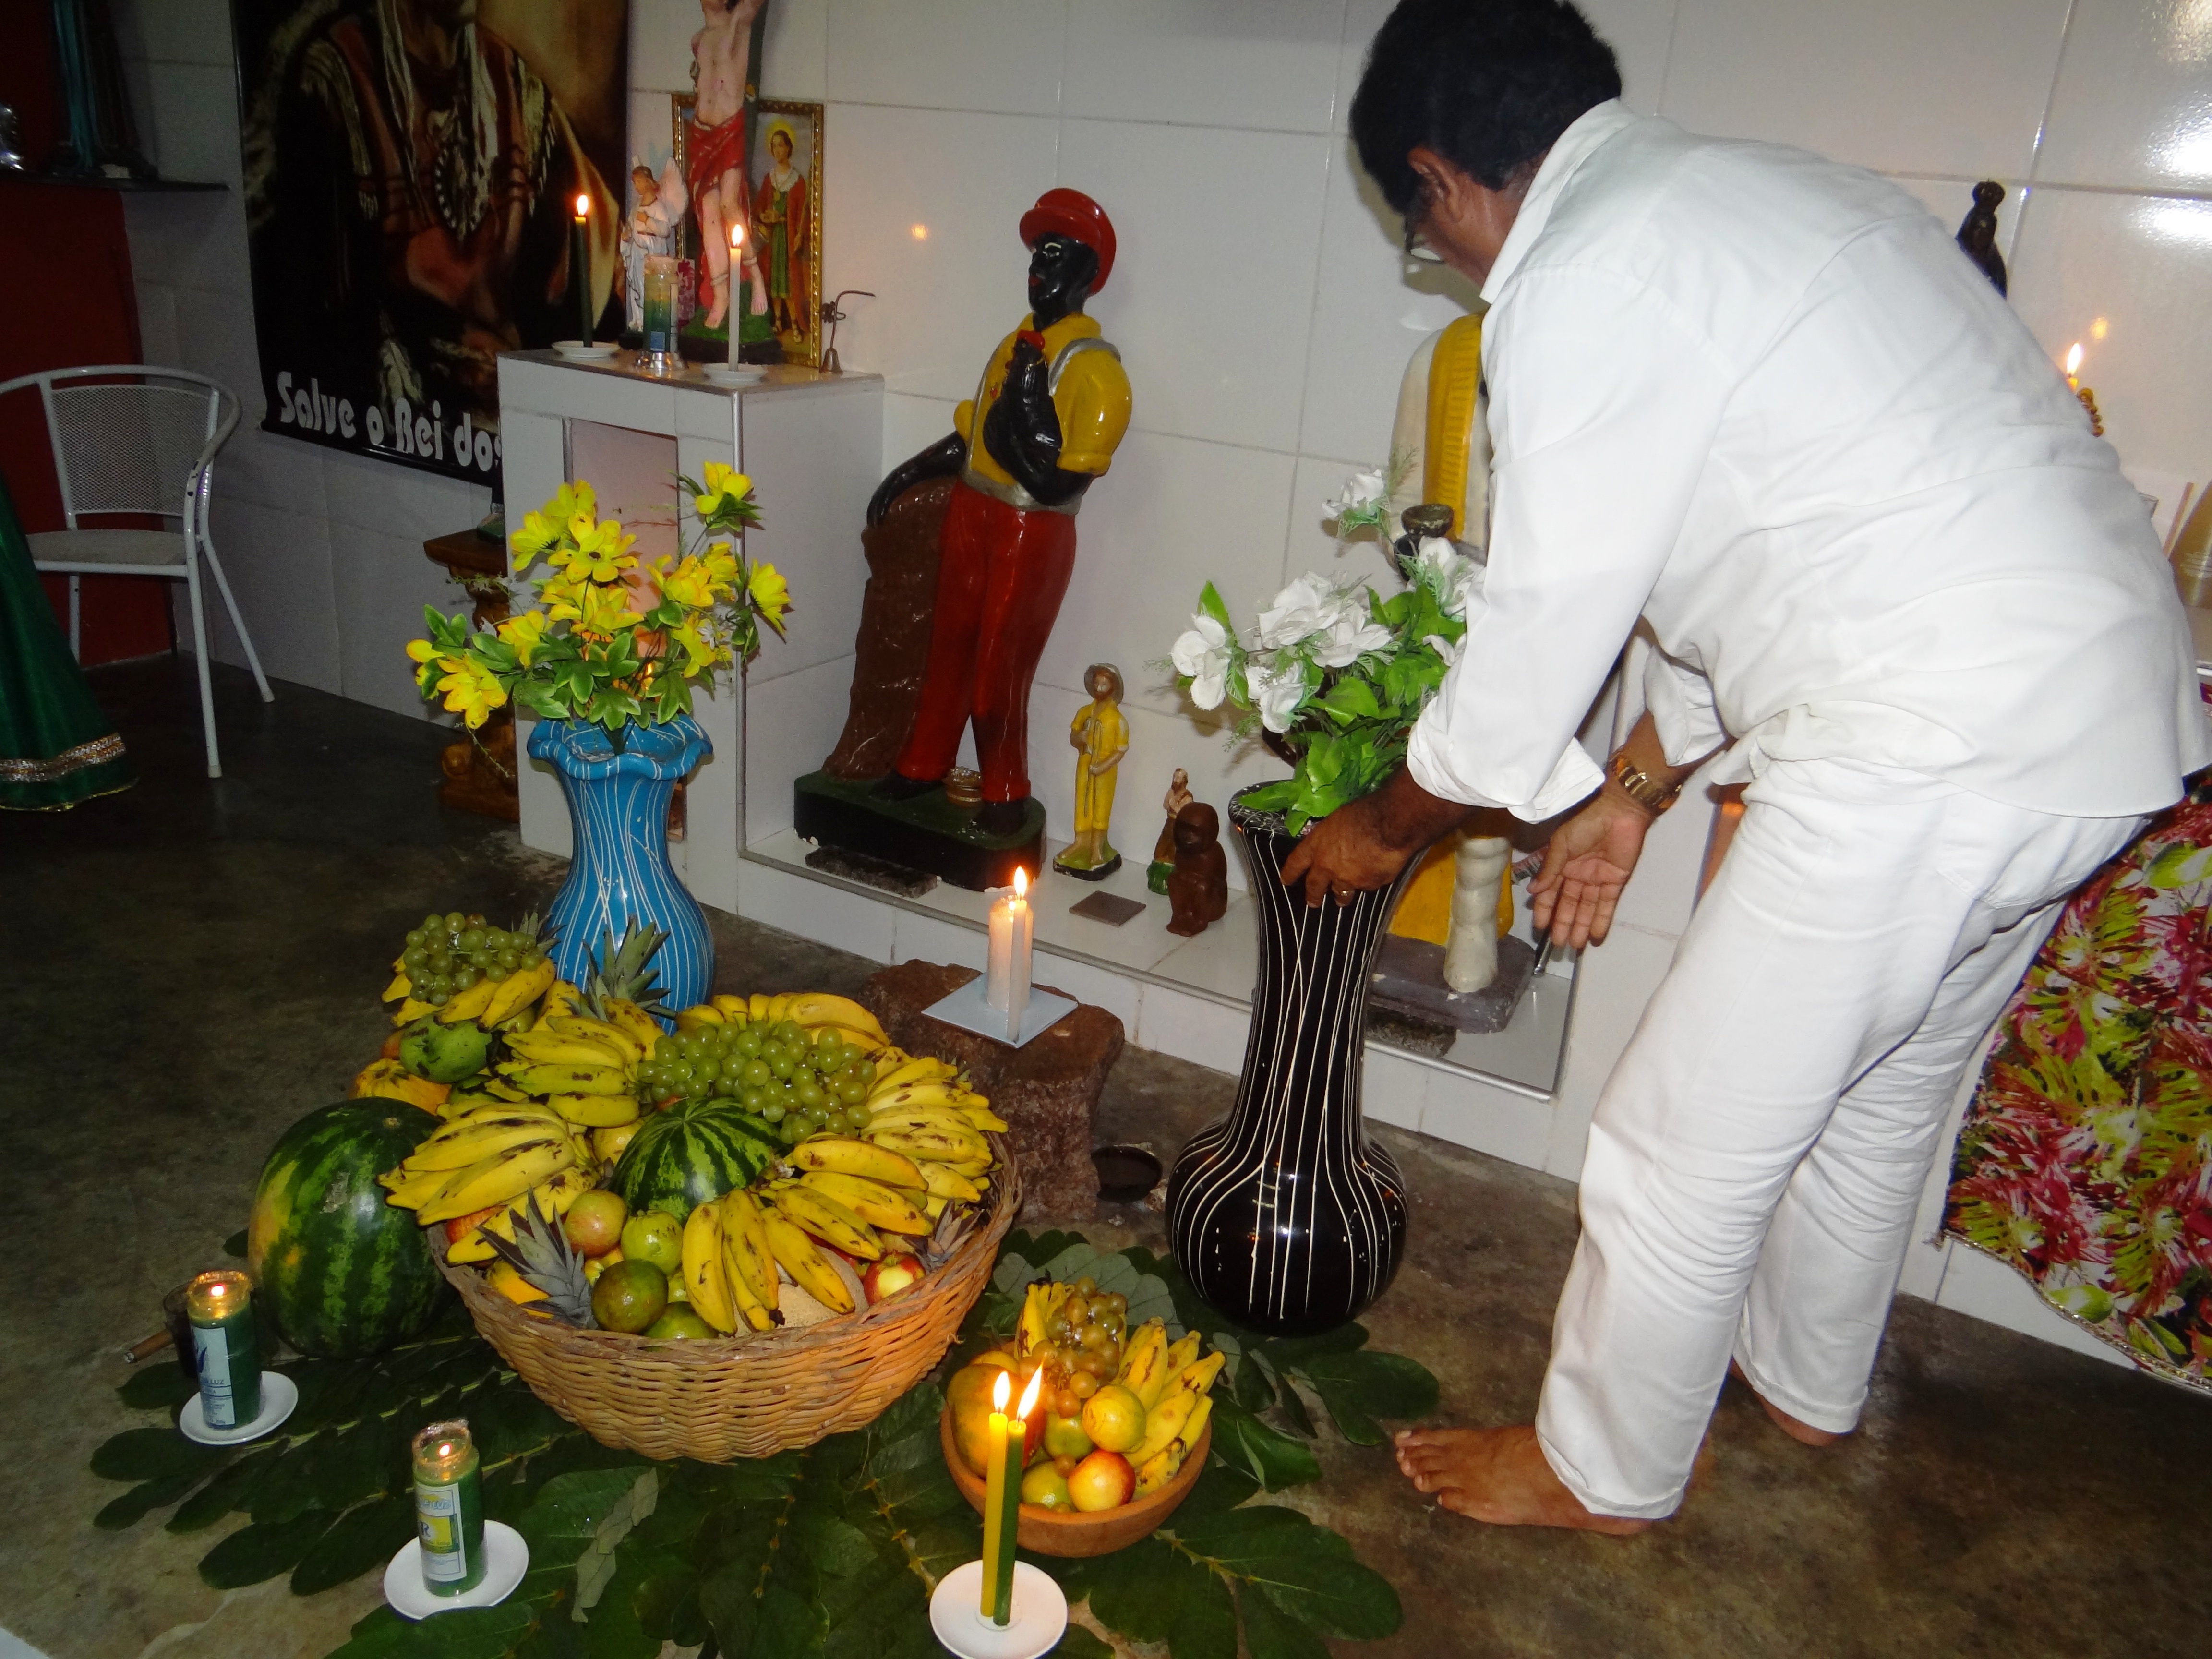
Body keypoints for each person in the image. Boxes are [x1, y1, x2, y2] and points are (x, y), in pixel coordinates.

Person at [1283, 0, 2211, 1533]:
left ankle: (1605, 1470)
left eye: (1420, 229)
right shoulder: (1773, 194)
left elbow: (1536, 644)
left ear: (1439, 177)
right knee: (1885, 1092)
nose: (1440, 260)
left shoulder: (1579, 277)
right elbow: (1741, 564)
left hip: (1932, 734)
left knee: (1674, 1142)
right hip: (2101, 720)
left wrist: (1386, 828)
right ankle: (1806, 1382)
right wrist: (1632, 797)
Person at [867, 190, 1133, 833]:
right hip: (973, 508)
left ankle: (1005, 789)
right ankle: (922, 764)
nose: (1039, 269)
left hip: (1029, 527)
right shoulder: (1014, 345)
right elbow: (974, 437)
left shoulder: (1097, 374)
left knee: (998, 673)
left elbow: (1054, 481)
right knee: (948, 650)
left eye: (1056, 256)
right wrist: (909, 473)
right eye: (1037, 255)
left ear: (1089, 274)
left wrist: (1018, 425)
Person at [242, 0, 617, 437]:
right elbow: (320, 307)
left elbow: (582, 270)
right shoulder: (339, 72)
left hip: (504, 413)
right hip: (398, 415)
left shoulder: (512, 82)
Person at [688, 0, 769, 331]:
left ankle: (757, 278)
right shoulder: (698, 39)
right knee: (708, 213)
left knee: (729, 205)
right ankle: (721, 296)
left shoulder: (738, 25)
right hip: (702, 132)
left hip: (729, 130)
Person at [1059, 663, 1129, 874]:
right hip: (1084, 766)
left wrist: (1102, 767)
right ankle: (1080, 842)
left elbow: (1120, 750)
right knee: (1082, 803)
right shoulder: (1084, 712)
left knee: (1101, 806)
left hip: (1104, 772)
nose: (1099, 688)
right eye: (1097, 684)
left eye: (1104, 685)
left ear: (1113, 687)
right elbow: (1074, 736)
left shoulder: (1118, 720)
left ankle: (1097, 847)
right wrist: (1078, 738)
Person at [752, 121, 810, 341]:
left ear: (789, 148)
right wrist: (766, 216)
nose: (778, 151)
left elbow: (804, 214)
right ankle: (777, 322)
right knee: (775, 283)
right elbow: (760, 209)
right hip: (773, 239)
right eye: (774, 146)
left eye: (782, 146)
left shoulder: (798, 180)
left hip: (787, 238)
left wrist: (798, 233)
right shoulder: (770, 178)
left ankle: (795, 325)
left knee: (788, 283)